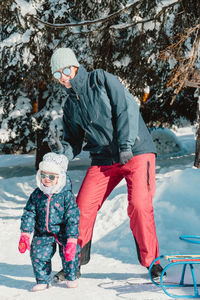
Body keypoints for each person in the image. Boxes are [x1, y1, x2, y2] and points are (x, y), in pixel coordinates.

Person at [49, 47, 163, 280]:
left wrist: (125, 146)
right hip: (103, 160)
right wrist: (62, 154)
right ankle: (74, 263)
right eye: (58, 74)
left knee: (140, 205)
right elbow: (73, 141)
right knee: (81, 208)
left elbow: (127, 108)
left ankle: (153, 263)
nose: (64, 77)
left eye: (67, 70)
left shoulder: (100, 79)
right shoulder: (70, 105)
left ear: (76, 66)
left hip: (136, 151)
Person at [18, 152, 80, 291]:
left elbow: (72, 217)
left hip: (63, 231)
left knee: (70, 253)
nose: (47, 179)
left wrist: (72, 238)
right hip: (43, 232)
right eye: (43, 175)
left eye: (51, 176)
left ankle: (71, 276)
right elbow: (29, 212)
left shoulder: (66, 196)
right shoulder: (37, 194)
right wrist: (25, 234)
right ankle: (43, 280)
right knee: (38, 254)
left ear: (60, 177)